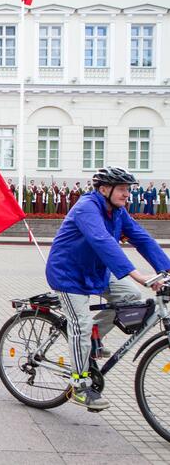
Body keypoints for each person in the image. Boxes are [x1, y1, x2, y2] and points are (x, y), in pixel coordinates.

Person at [46, 167, 170, 411]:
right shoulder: (86, 208)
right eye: (123, 189)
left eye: (128, 190)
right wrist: (137, 275)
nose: (127, 195)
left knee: (131, 297)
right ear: (104, 189)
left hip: (97, 272)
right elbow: (102, 242)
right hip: (69, 275)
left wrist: (166, 269)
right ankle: (79, 386)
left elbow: (142, 238)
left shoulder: (118, 212)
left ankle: (94, 339)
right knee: (80, 324)